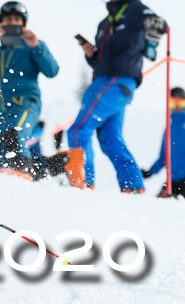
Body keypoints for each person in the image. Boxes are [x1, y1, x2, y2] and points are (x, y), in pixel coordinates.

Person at [66, 0, 167, 192]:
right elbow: (101, 62)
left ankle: (81, 183)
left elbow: (158, 23)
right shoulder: (103, 23)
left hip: (116, 81)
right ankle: (133, 186)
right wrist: (91, 55)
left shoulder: (134, 9)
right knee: (110, 138)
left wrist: (152, 36)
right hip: (109, 82)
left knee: (78, 130)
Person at [0, 2, 59, 180]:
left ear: (24, 24)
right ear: (1, 23)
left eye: (17, 20)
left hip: (26, 104)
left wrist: (36, 46)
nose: (13, 23)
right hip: (3, 111)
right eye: (8, 20)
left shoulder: (32, 48)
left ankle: (22, 178)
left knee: (14, 138)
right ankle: (58, 165)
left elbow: (52, 70)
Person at [141, 87, 185, 198]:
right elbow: (164, 157)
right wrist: (149, 172)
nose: (176, 107)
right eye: (173, 102)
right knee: (157, 206)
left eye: (179, 102)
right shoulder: (168, 129)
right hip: (172, 181)